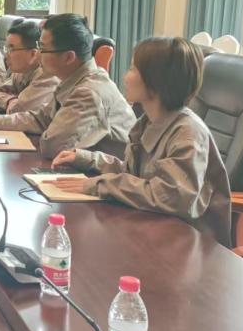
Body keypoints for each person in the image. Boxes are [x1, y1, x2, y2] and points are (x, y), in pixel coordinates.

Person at [50, 37, 232, 246]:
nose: (126, 77)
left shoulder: (188, 132)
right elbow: (136, 175)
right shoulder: (147, 122)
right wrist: (88, 159)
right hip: (156, 230)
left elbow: (170, 195)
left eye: (133, 69)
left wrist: (98, 185)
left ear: (157, 81)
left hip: (191, 244)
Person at [0, 14, 135, 159]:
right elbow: (41, 119)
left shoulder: (88, 92)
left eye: (43, 48)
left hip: (107, 177)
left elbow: (53, 146)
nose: (37, 54)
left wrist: (47, 128)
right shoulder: (72, 80)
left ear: (68, 57)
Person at [0, 20, 58, 114]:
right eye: (6, 49)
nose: (6, 55)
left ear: (33, 54)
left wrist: (9, 101)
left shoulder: (47, 75)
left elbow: (18, 109)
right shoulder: (19, 71)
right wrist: (10, 100)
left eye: (12, 49)